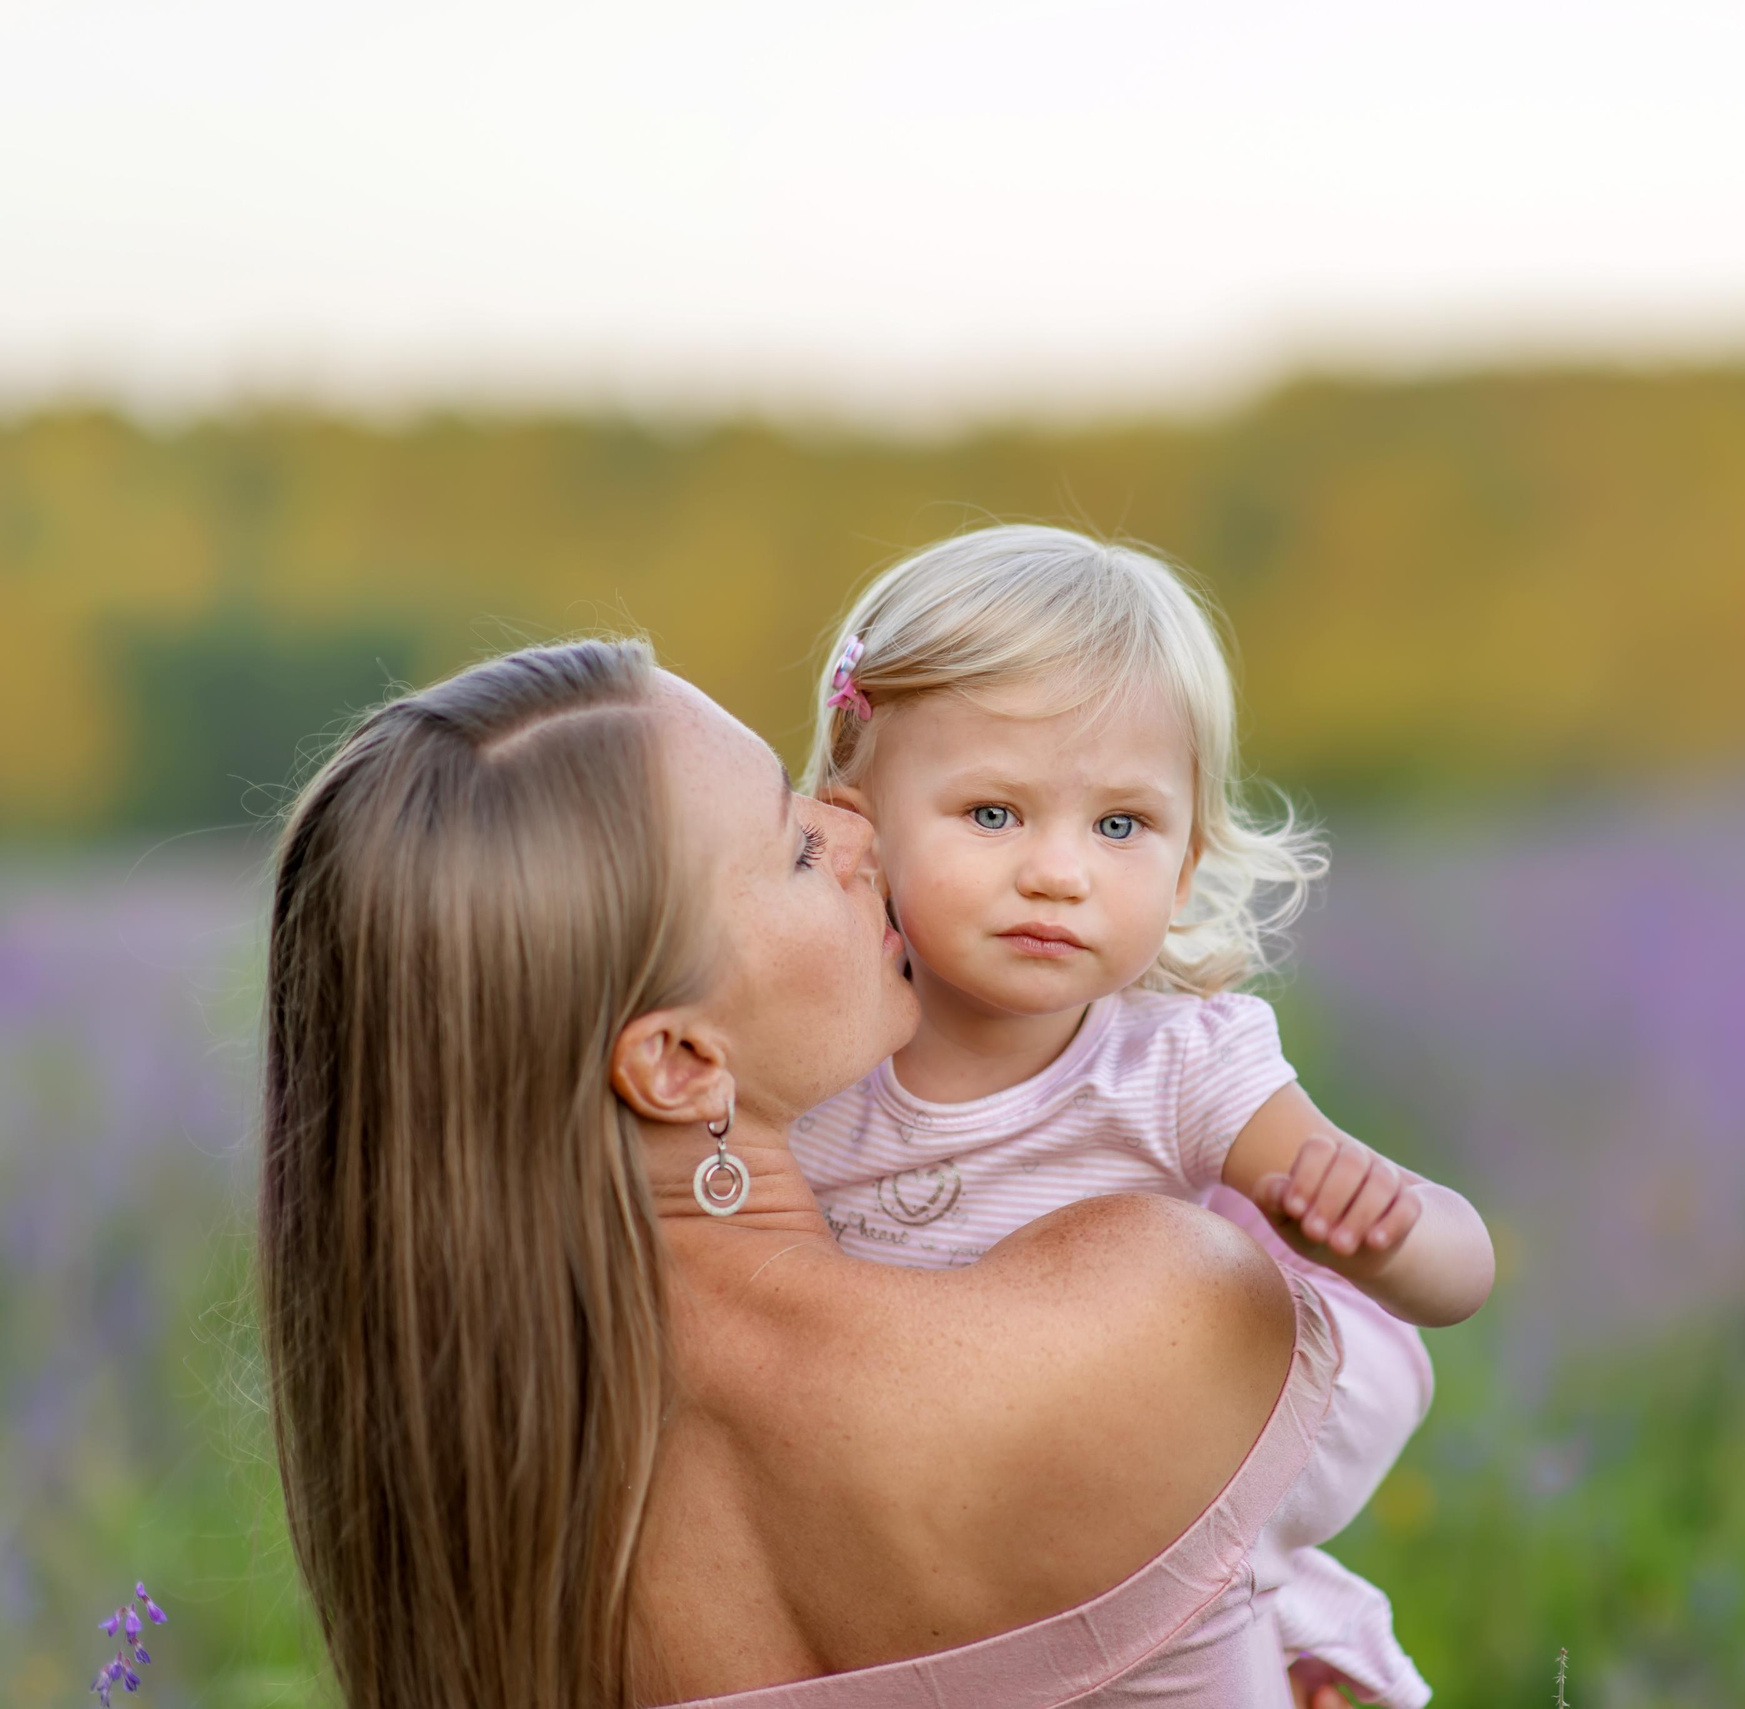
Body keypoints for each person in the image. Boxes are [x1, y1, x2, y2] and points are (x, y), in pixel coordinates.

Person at [258, 638, 1385, 1709]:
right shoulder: (1157, 1303)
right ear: (681, 1061)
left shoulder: (466, 1540)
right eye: (796, 846)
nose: (857, 825)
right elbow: (1358, 1349)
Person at [796, 525, 1498, 1706]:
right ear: (852, 823)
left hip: (1145, 1554)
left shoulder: (1175, 1063)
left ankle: (1275, 1626)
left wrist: (1383, 1227)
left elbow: (1460, 1273)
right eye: (993, 813)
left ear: (1182, 869)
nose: (1059, 871)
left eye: (1120, 826)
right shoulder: (813, 1063)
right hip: (910, 1576)